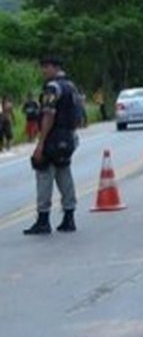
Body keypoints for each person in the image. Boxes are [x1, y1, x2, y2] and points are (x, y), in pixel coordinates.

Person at [25, 55, 81, 235]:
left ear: (54, 67)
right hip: (68, 136)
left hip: (53, 137)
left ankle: (43, 219)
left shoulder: (52, 87)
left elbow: (48, 115)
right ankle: (69, 217)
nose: (43, 71)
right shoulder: (71, 86)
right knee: (64, 173)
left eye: (45, 67)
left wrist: (41, 143)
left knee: (44, 174)